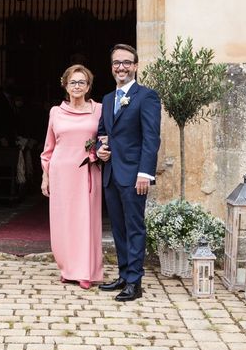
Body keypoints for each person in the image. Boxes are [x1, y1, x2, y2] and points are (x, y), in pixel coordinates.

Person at [96, 44, 161, 301]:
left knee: (134, 227)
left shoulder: (147, 96)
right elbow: (103, 132)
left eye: (126, 62)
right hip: (111, 174)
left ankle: (135, 282)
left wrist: (145, 173)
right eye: (116, 63)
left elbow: (151, 138)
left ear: (135, 66)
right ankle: (123, 274)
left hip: (135, 175)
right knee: (119, 228)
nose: (121, 67)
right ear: (112, 67)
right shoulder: (108, 99)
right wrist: (100, 150)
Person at [40, 65, 103, 290]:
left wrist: (100, 152)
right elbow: (49, 147)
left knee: (86, 222)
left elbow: (107, 139)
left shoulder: (99, 110)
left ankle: (86, 270)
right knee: (63, 224)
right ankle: (68, 268)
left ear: (88, 86)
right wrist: (45, 176)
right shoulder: (56, 112)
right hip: (60, 173)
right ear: (65, 85)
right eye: (73, 82)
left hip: (86, 172)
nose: (77, 86)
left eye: (82, 82)